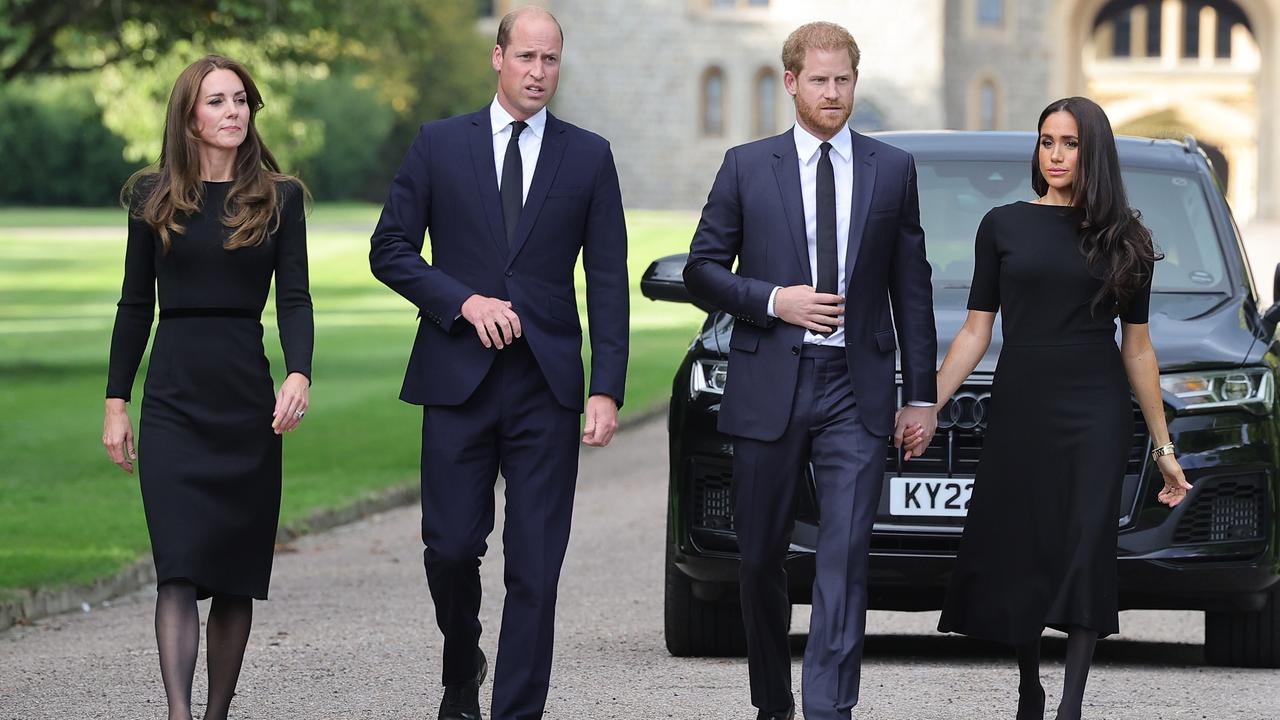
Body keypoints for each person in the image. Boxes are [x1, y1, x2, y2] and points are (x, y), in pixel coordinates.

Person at [367, 7, 628, 720]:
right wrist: (462, 302)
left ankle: (516, 712)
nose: (538, 72)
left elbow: (607, 279)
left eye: (551, 60)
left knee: (535, 567)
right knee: (450, 549)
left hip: (546, 388)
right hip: (456, 379)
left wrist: (606, 387)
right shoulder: (439, 145)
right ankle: (462, 660)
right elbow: (389, 250)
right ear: (499, 57)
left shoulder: (589, 155)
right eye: (526, 58)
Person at [683, 22, 938, 720]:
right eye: (820, 80)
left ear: (856, 81)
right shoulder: (745, 166)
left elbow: (911, 290)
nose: (833, 92)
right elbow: (701, 270)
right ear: (791, 82)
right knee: (760, 559)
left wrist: (921, 397)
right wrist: (773, 300)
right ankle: (774, 703)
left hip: (854, 392)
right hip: (770, 383)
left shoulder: (892, 169)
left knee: (845, 557)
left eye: (844, 80)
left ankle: (830, 709)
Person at [931, 97, 1192, 720]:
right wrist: (928, 403)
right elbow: (975, 331)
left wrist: (1164, 449)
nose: (1054, 155)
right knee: (1024, 543)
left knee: (1084, 543)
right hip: (1021, 400)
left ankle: (1071, 703)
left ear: (1092, 152)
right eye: (1047, 141)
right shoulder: (1002, 225)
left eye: (1069, 144)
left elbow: (1139, 349)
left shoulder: (1128, 238)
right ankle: (1029, 686)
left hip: (1095, 408)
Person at [101, 55, 312, 720]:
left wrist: (299, 371)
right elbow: (135, 305)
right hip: (172, 399)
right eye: (217, 101)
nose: (233, 112)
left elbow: (296, 301)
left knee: (233, 573)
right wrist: (116, 402)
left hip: (245, 400)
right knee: (179, 567)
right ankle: (178, 714)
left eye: (241, 100)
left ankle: (215, 714)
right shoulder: (152, 197)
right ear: (189, 117)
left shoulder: (280, 198)